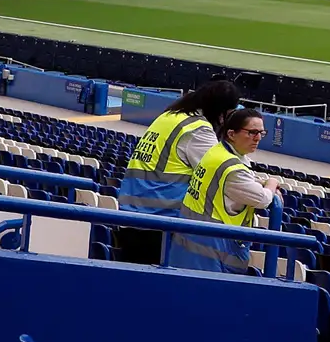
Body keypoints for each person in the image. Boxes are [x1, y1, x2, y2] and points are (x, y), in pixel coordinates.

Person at [116, 75, 244, 268]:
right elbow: (222, 175)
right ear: (221, 111)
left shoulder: (170, 116)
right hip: (160, 224)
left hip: (133, 216)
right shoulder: (198, 130)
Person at [170, 102, 280, 273]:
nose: (257, 138)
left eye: (261, 133)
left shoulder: (217, 152)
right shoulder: (232, 169)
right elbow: (263, 199)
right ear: (231, 134)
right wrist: (272, 183)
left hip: (191, 245)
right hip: (214, 254)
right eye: (252, 132)